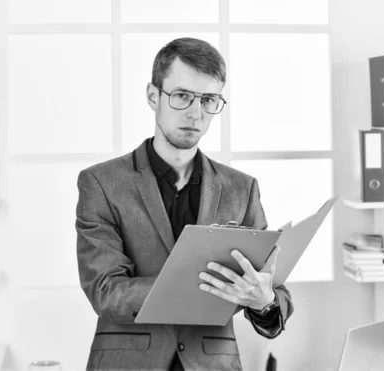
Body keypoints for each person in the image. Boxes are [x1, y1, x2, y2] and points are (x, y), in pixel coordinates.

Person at [76, 37, 294, 371]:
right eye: (182, 96)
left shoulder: (242, 188)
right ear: (153, 96)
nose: (195, 113)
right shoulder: (101, 183)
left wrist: (264, 301)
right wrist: (197, 285)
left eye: (208, 100)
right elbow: (106, 291)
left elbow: (271, 289)